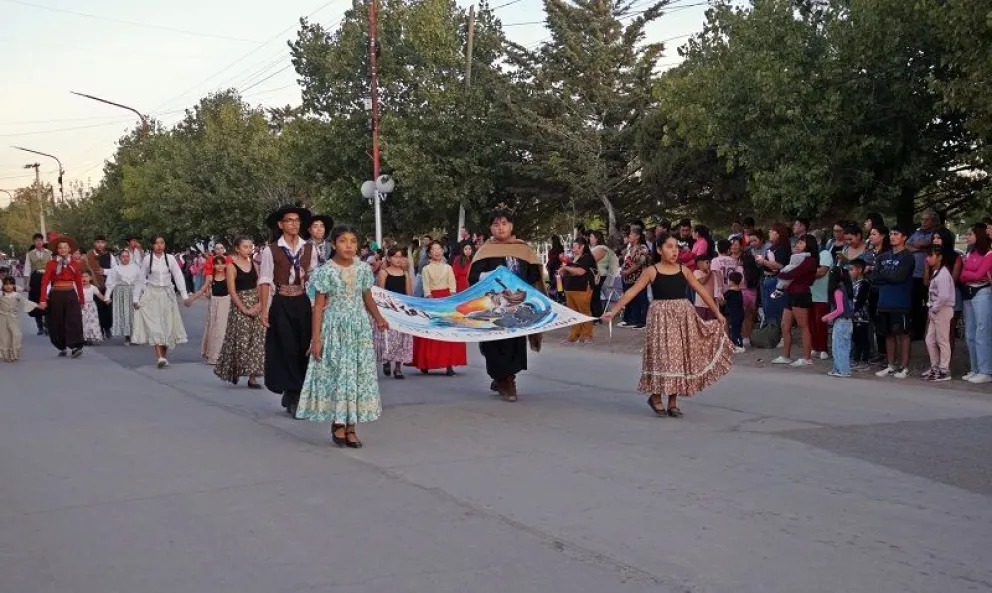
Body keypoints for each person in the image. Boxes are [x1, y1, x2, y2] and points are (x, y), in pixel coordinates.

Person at [601, 234, 732, 418]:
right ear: (660, 250)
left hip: (682, 316)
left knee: (678, 358)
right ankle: (655, 397)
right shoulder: (651, 271)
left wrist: (717, 312)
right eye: (669, 247)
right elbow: (632, 292)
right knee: (662, 358)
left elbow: (701, 290)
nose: (674, 251)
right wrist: (613, 311)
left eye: (676, 247)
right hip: (660, 318)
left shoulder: (684, 270)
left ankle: (672, 402)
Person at [297, 225, 388, 448]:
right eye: (343, 241)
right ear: (334, 244)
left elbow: (367, 298)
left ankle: (352, 427)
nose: (349, 246)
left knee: (356, 375)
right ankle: (338, 422)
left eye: (353, 241)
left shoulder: (364, 270)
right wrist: (316, 339)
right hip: (334, 328)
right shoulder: (326, 271)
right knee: (339, 375)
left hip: (359, 328)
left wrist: (378, 318)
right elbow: (318, 307)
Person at [468, 206, 546, 401]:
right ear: (490, 228)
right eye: (496, 224)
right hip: (492, 308)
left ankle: (508, 380)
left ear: (511, 226)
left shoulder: (523, 249)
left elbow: (534, 277)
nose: (500, 228)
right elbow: (474, 277)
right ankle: (501, 379)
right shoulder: (485, 251)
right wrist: (491, 277)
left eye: (504, 224)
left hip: (517, 308)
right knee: (493, 346)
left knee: (514, 345)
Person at [259, 205, 319, 416]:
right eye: (289, 220)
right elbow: (265, 280)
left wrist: (317, 303)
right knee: (287, 347)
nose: (294, 224)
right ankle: (292, 393)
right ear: (281, 224)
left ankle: (298, 389)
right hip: (282, 301)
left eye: (297, 221)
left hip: (302, 301)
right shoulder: (271, 249)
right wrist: (264, 309)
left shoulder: (309, 248)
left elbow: (314, 277)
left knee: (304, 345)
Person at [132, 235, 192, 368]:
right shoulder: (148, 259)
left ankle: (164, 357)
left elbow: (178, 276)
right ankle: (159, 356)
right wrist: (135, 298)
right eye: (156, 243)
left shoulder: (170, 258)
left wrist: (184, 296)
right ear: (152, 245)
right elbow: (141, 279)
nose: (159, 245)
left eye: (162, 243)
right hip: (152, 294)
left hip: (167, 294)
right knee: (155, 325)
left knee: (167, 326)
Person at [214, 237, 265, 389]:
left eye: (251, 246)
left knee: (256, 340)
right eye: (245, 247)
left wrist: (260, 303)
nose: (249, 249)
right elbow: (232, 290)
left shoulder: (255, 265)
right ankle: (234, 370)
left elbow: (259, 285)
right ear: (237, 249)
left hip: (255, 303)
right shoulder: (232, 266)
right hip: (240, 304)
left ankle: (252, 377)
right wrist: (244, 309)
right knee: (239, 340)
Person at [412, 241, 468, 375]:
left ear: (443, 251)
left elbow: (452, 285)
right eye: (434, 249)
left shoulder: (448, 267)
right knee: (430, 332)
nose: (437, 251)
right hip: (432, 301)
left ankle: (449, 364)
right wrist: (431, 300)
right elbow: (426, 287)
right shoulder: (426, 269)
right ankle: (426, 363)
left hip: (447, 299)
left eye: (439, 249)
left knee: (447, 332)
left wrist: (450, 300)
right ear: (429, 252)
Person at [873, 226, 915, 379]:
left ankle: (904, 367)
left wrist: (883, 272)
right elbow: (874, 278)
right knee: (888, 334)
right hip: (884, 300)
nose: (892, 237)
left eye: (896, 234)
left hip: (901, 301)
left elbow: (899, 277)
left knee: (903, 334)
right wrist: (886, 275)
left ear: (904, 237)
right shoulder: (883, 256)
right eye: (890, 234)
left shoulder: (908, 257)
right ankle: (891, 365)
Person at [771, 234, 819, 367]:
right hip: (790, 293)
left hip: (801, 293)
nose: (798, 245)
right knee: (784, 325)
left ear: (809, 245)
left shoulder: (810, 260)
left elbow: (794, 273)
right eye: (798, 243)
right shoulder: (796, 258)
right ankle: (786, 355)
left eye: (801, 243)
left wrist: (782, 273)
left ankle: (807, 358)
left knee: (803, 326)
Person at [38, 236, 86, 358]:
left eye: (65, 247)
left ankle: (75, 346)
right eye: (60, 247)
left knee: (74, 321)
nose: (63, 249)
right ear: (57, 250)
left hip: (70, 294)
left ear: (69, 249)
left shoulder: (74, 264)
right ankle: (61, 345)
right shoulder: (51, 264)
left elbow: (79, 283)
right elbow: (44, 282)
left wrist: (81, 299)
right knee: (57, 321)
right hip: (56, 295)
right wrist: (43, 299)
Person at [374, 246, 414, 379]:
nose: (398, 259)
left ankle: (398, 368)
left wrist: (409, 309)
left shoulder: (405, 274)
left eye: (400, 257)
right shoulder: (384, 273)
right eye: (395, 257)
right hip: (388, 310)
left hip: (401, 310)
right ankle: (387, 361)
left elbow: (408, 293)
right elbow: (381, 292)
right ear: (389, 258)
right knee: (389, 337)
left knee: (401, 339)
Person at [960, 223, 992, 384]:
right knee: (970, 333)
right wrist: (972, 274)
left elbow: (979, 273)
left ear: (978, 236)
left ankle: (986, 370)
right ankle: (975, 368)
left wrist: (970, 274)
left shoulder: (989, 253)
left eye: (970, 234)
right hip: (970, 293)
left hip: (983, 293)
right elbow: (963, 274)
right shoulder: (970, 252)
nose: (967, 237)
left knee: (982, 331)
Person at [190, 255, 231, 365]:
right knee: (212, 328)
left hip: (226, 302)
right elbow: (202, 290)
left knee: (221, 329)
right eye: (217, 264)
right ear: (213, 265)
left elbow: (235, 291)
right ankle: (212, 355)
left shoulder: (229, 276)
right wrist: (191, 299)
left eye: (222, 263)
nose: (220, 266)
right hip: (214, 303)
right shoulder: (210, 277)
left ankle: (220, 356)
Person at [923, 245, 956, 382]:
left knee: (942, 340)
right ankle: (935, 367)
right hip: (935, 309)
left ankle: (944, 370)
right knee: (930, 339)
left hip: (942, 309)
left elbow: (944, 296)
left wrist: (934, 306)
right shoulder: (937, 272)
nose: (928, 258)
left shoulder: (943, 274)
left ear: (940, 257)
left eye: (931, 256)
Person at [907, 209, 939, 341]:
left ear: (933, 221)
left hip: (927, 274)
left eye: (927, 220)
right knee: (914, 303)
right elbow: (907, 244)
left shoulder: (934, 234)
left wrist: (917, 246)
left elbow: (926, 244)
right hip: (914, 274)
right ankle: (916, 330)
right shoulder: (917, 232)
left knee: (928, 303)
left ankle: (929, 331)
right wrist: (918, 248)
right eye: (922, 219)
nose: (924, 222)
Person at [559, 236, 597, 343]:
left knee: (584, 312)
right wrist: (563, 269)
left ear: (582, 247)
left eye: (575, 246)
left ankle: (587, 335)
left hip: (582, 288)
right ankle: (573, 336)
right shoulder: (572, 257)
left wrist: (566, 268)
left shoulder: (587, 257)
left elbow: (580, 271)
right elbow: (570, 270)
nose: (572, 248)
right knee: (573, 313)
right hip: (569, 288)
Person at [755, 223, 791, 327]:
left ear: (778, 233)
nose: (769, 233)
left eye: (771, 231)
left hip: (776, 279)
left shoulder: (782, 247)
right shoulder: (772, 247)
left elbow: (780, 266)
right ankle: (770, 331)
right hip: (767, 278)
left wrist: (764, 262)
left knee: (777, 307)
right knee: (767, 308)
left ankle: (779, 333)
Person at [103, 249, 142, 344]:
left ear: (130, 257)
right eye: (123, 256)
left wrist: (144, 292)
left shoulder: (136, 268)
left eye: (127, 256)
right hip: (120, 293)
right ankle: (127, 335)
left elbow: (140, 281)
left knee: (134, 313)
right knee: (124, 314)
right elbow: (110, 283)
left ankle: (135, 335)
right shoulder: (115, 269)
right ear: (119, 258)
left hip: (132, 292)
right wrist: (107, 296)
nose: (125, 258)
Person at [822, 266, 854, 378]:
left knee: (839, 347)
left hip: (841, 322)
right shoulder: (845, 288)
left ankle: (843, 370)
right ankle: (838, 369)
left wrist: (828, 317)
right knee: (842, 346)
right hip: (847, 322)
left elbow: (840, 309)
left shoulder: (837, 291)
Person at [81, 236, 114, 340]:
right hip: (93, 286)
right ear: (94, 243)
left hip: (107, 285)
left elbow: (115, 270)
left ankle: (107, 328)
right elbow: (84, 270)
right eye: (98, 242)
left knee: (108, 308)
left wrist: (104, 271)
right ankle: (99, 330)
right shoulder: (88, 256)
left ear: (105, 244)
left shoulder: (109, 256)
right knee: (97, 309)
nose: (100, 244)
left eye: (102, 242)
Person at [618, 226, 650, 328]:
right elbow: (626, 260)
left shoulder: (643, 248)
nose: (629, 236)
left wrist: (627, 271)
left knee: (641, 299)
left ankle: (643, 321)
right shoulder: (630, 248)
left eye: (631, 234)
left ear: (637, 236)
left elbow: (640, 263)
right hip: (628, 279)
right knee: (631, 299)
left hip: (639, 277)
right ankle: (633, 319)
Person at [0, 275, 37, 362]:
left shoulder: (16, 295)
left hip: (14, 318)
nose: (8, 286)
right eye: (6, 284)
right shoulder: (1, 294)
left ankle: (14, 354)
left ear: (14, 285)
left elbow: (26, 302)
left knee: (17, 335)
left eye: (11, 284)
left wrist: (37, 305)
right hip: (2, 317)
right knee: (5, 337)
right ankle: (6, 356)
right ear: (3, 285)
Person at [809, 243, 835, 360]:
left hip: (822, 295)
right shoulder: (806, 256)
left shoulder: (825, 254)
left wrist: (804, 272)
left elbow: (822, 272)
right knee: (810, 323)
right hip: (808, 293)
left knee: (821, 323)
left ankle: (823, 348)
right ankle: (814, 347)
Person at [24, 233, 52, 336]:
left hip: (47, 278)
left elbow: (53, 267)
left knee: (47, 300)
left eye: (40, 240)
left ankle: (48, 325)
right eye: (36, 240)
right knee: (36, 302)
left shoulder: (49, 253)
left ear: (43, 241)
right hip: (35, 278)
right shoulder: (30, 254)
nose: (39, 242)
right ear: (34, 242)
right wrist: (26, 284)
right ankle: (39, 326)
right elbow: (27, 269)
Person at [848, 259, 873, 371]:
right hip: (853, 315)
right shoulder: (853, 283)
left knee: (863, 338)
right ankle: (856, 359)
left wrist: (853, 310)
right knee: (856, 338)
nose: (850, 272)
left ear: (859, 270)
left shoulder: (865, 283)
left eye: (851, 269)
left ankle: (865, 360)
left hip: (862, 316)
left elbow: (861, 300)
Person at [588, 230, 617, 319]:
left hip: (599, 274)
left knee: (595, 296)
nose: (590, 238)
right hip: (593, 274)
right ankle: (596, 315)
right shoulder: (594, 247)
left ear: (597, 238)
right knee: (593, 296)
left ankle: (597, 316)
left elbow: (592, 260)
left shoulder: (602, 248)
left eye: (592, 237)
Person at [80, 270, 106, 345]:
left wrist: (106, 299)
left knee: (92, 323)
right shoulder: (79, 287)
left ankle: (90, 338)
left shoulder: (93, 287)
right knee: (83, 322)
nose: (84, 278)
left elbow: (100, 295)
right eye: (82, 277)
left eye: (86, 276)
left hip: (91, 308)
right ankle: (84, 338)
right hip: (82, 307)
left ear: (90, 278)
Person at [725, 270, 746, 353]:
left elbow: (722, 300)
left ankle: (739, 345)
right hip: (740, 313)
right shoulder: (739, 291)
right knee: (738, 329)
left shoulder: (729, 292)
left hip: (734, 314)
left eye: (729, 280)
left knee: (735, 330)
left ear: (732, 281)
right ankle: (738, 344)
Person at [693, 254, 717, 320]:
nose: (709, 264)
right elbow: (702, 281)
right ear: (699, 263)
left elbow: (716, 289)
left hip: (711, 304)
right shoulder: (696, 272)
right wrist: (710, 273)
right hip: (700, 304)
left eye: (710, 262)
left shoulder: (712, 274)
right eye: (707, 262)